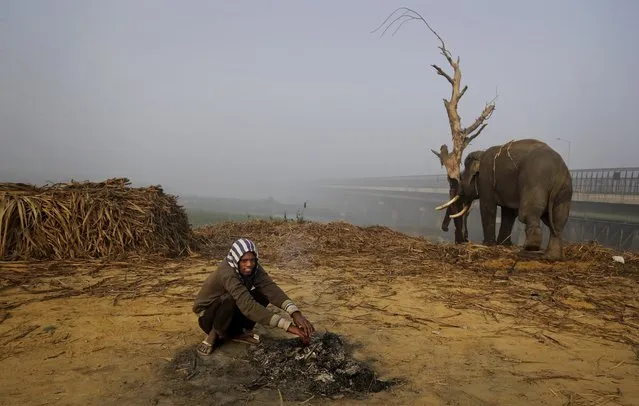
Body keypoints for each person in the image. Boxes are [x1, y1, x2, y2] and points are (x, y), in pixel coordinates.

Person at [192, 237, 315, 356]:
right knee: (230, 299)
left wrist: (295, 313)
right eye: (244, 261)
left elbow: (270, 288)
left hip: (231, 309)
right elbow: (248, 306)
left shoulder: (254, 268)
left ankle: (237, 333)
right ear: (236, 260)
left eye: (252, 260)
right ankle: (213, 335)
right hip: (208, 317)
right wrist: (287, 326)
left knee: (263, 293)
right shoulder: (227, 272)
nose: (249, 264)